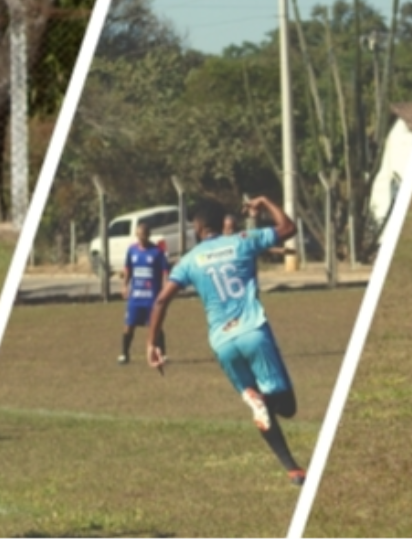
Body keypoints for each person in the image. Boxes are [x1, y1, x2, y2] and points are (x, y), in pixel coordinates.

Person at [145, 196, 306, 485]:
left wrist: (151, 344)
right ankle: (264, 401)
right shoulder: (242, 241)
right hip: (253, 332)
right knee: (286, 406)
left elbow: (160, 302)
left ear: (197, 226)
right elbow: (288, 228)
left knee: (260, 406)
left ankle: (292, 468)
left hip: (222, 343)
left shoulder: (189, 260)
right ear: (223, 223)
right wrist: (265, 202)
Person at [118, 221, 169, 365]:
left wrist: (165, 287)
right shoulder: (132, 250)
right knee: (129, 324)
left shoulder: (157, 252)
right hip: (136, 297)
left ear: (148, 235)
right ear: (136, 235)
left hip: (152, 296)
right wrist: (124, 286)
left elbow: (165, 271)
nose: (141, 238)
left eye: (144, 235)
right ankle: (124, 354)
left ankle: (162, 353)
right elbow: (128, 269)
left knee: (155, 325)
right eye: (139, 235)